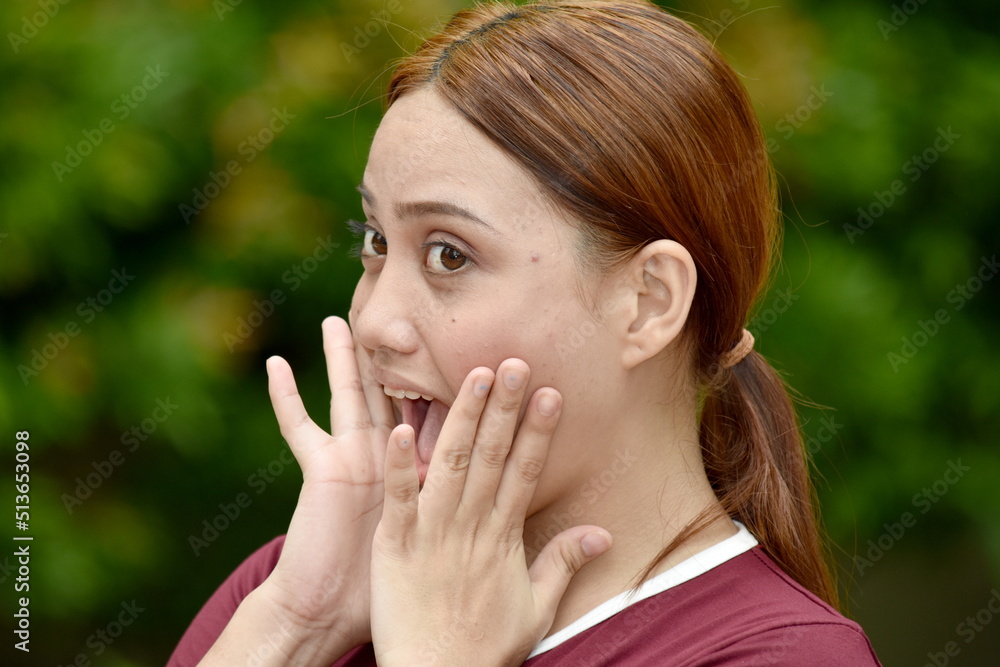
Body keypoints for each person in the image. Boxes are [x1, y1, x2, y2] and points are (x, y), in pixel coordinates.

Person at [170, 1, 881, 664]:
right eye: (376, 240)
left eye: (449, 255)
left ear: (649, 303)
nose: (375, 322)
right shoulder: (298, 585)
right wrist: (297, 623)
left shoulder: (780, 653)